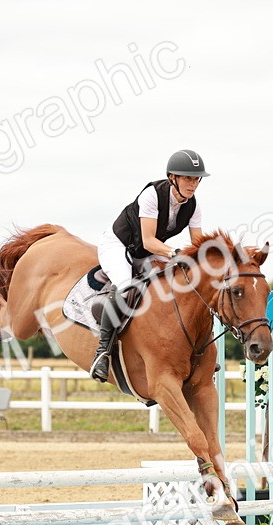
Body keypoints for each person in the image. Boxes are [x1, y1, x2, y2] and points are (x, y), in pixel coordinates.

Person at [90, 149, 210, 382]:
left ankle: (198, 351)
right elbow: (148, 240)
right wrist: (175, 253)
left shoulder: (194, 206)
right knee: (125, 287)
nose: (193, 184)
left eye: (196, 179)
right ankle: (102, 352)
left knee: (182, 278)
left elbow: (197, 245)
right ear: (172, 178)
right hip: (118, 245)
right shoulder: (152, 195)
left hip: (146, 252)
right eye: (187, 178)